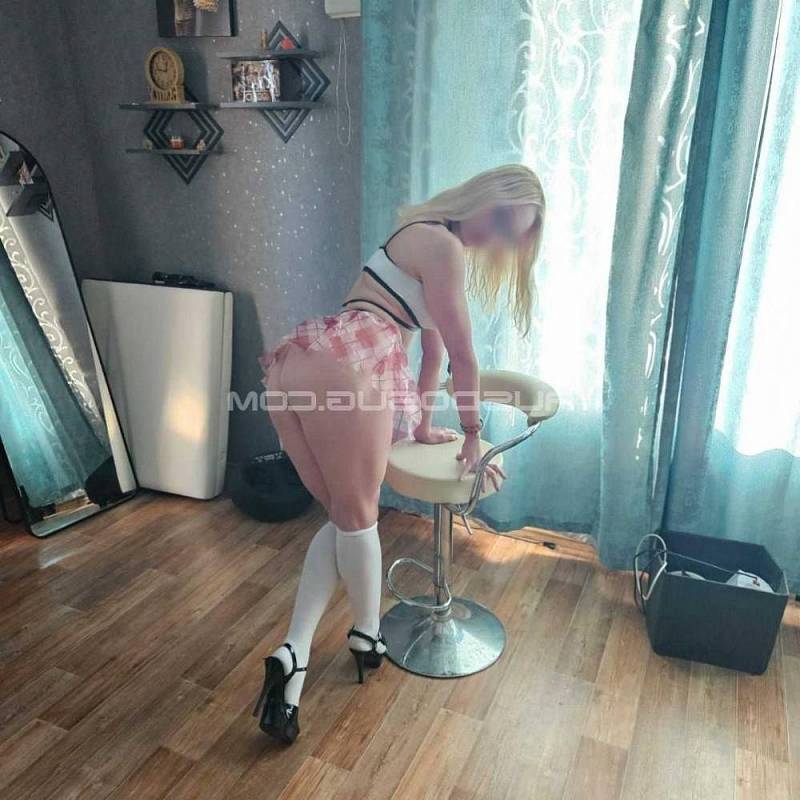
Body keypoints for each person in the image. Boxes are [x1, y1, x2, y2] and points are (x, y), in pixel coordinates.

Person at [253, 163, 545, 743]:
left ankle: (294, 651)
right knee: (358, 519)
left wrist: (424, 424)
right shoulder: (445, 246)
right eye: (501, 219)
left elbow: (432, 354)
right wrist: (470, 431)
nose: (496, 238)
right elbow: (463, 355)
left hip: (298, 361)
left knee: (344, 519)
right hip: (348, 367)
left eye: (510, 236)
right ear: (484, 194)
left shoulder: (422, 234)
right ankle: (366, 637)